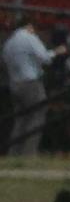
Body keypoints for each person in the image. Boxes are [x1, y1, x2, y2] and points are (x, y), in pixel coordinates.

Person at [5, 15, 55, 155]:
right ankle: (29, 153)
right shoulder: (29, 37)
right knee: (37, 115)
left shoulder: (10, 42)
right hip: (31, 82)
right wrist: (55, 52)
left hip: (14, 83)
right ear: (30, 25)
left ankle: (14, 152)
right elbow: (44, 58)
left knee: (20, 119)